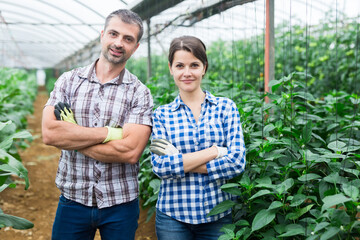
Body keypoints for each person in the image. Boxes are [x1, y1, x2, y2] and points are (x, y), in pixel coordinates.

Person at [41, 9, 153, 240]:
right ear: (102, 35)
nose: (118, 43)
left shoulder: (139, 93)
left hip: (120, 203)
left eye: (128, 39)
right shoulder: (69, 81)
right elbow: (50, 134)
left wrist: (72, 136)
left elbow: (130, 151)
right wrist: (112, 133)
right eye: (113, 34)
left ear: (136, 47)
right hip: (73, 199)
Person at [149, 35, 246, 240]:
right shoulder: (162, 114)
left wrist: (180, 161)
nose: (187, 73)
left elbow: (236, 162)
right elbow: (160, 167)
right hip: (172, 217)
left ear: (204, 67)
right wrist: (215, 152)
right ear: (171, 68)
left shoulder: (226, 108)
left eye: (194, 65)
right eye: (180, 65)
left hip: (217, 215)